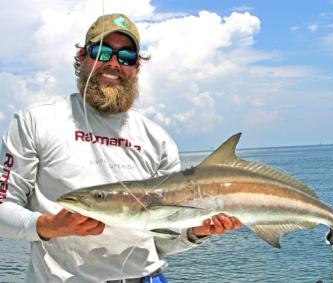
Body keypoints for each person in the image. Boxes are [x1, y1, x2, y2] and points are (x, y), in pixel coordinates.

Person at [0, 13, 241, 283]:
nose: (113, 64)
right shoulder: (36, 121)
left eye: (126, 57)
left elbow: (162, 240)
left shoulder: (158, 139)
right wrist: (48, 226)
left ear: (136, 67)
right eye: (102, 52)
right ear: (82, 57)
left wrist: (196, 232)